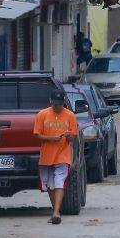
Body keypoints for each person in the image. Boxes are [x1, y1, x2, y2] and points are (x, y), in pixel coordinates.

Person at [33, 90, 78, 225]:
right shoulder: (42, 114)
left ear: (64, 102)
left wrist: (68, 136)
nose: (57, 106)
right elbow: (37, 134)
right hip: (46, 156)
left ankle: (56, 213)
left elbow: (73, 137)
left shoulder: (70, 115)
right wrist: (51, 138)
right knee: (50, 185)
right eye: (55, 104)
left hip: (63, 155)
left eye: (59, 104)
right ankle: (55, 210)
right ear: (50, 101)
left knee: (59, 182)